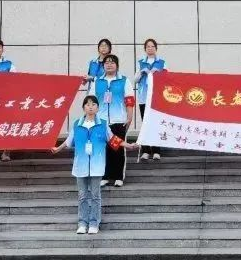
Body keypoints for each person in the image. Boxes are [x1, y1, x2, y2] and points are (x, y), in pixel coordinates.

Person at [51, 95, 139, 234]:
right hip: (80, 166)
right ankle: (82, 223)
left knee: (95, 196)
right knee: (82, 196)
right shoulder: (77, 124)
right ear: (83, 108)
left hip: (97, 166)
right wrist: (57, 149)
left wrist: (128, 145)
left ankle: (94, 223)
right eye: (87, 104)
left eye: (93, 104)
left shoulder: (103, 124)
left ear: (98, 108)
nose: (90, 107)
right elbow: (69, 141)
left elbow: (113, 140)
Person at [90, 54, 135, 187]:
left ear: (117, 65)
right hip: (101, 121)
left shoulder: (124, 80)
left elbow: (129, 100)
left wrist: (129, 117)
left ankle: (118, 176)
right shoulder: (97, 81)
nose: (109, 65)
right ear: (103, 66)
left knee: (118, 148)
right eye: (106, 63)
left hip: (118, 120)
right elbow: (91, 101)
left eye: (112, 62)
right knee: (103, 149)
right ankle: (105, 176)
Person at [135, 38, 166, 161]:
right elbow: (135, 80)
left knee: (156, 124)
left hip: (156, 98)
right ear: (145, 49)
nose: (150, 48)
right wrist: (142, 72)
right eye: (148, 46)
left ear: (156, 48)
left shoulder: (162, 62)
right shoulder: (141, 63)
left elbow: (167, 78)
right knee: (145, 124)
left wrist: (158, 73)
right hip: (144, 98)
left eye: (152, 46)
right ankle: (146, 151)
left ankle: (157, 151)